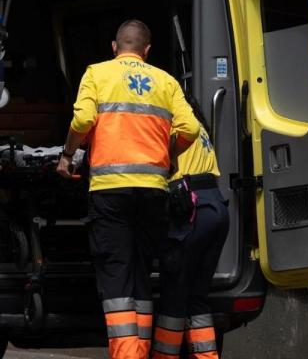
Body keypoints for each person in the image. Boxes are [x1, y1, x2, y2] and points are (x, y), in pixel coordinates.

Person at [55, 20, 200, 359]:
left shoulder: (97, 73)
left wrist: (67, 155)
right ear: (147, 50)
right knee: (140, 273)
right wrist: (168, 155)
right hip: (153, 191)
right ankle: (140, 351)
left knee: (116, 275)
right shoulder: (166, 81)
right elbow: (191, 129)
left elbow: (82, 121)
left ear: (114, 47)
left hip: (110, 191)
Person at [151, 112, 230, 359]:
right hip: (216, 208)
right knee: (197, 297)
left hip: (191, 211)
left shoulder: (171, 123)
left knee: (174, 297)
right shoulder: (199, 128)